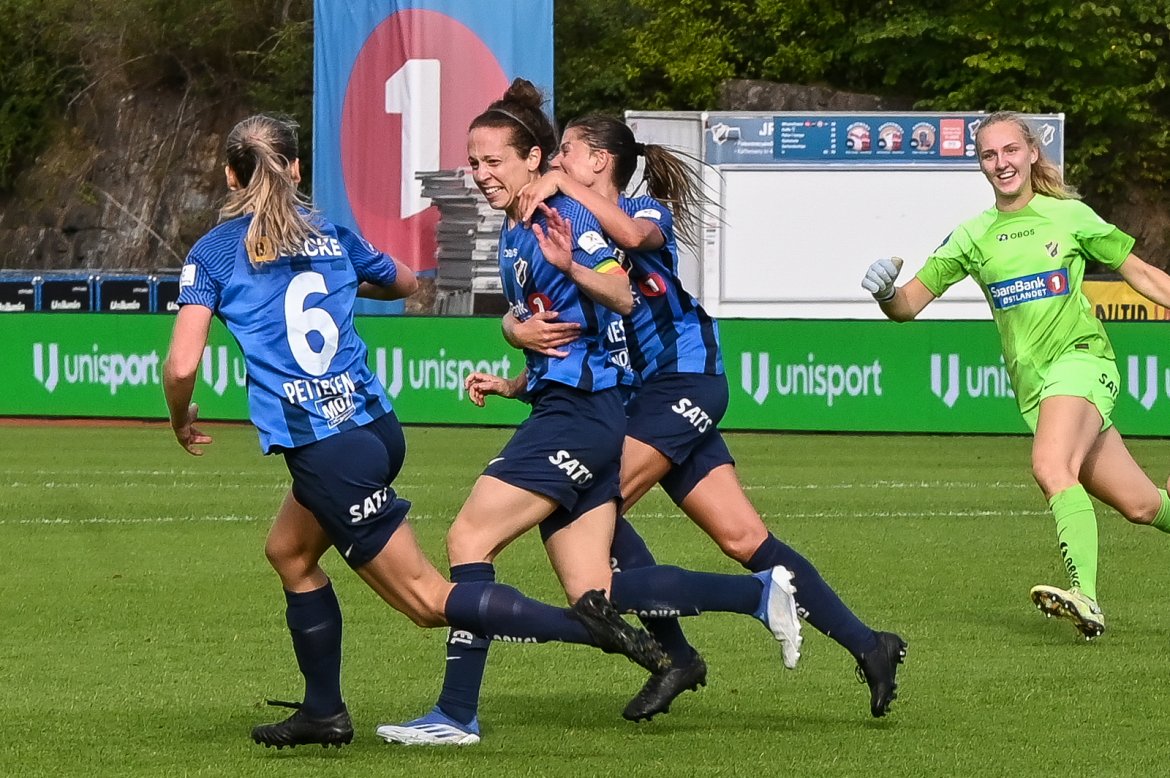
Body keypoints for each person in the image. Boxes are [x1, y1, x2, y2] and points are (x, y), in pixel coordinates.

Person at [162, 113, 691, 752]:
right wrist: (343, 276)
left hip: (326, 448)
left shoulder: (215, 252)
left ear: (230, 175)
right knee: (290, 554)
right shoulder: (330, 233)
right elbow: (405, 283)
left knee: (426, 601)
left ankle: (588, 627)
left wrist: (180, 416)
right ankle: (323, 712)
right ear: (296, 168)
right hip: (375, 427)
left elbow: (182, 365)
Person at [376, 80, 804, 747]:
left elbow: (621, 294)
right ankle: (757, 595)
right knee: (594, 593)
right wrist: (514, 347)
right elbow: (557, 328)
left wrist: (569, 267)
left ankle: (455, 714)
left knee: (468, 541)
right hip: (579, 411)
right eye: (474, 162)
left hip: (576, 418)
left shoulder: (563, 217)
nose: (481, 173)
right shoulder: (514, 229)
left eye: (493, 161)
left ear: (533, 159)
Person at [505, 115, 907, 721]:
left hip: (683, 380)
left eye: (567, 152)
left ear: (600, 161)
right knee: (745, 538)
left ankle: (677, 655)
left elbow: (634, 237)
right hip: (641, 396)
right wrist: (515, 358)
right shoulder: (573, 224)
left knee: (594, 504)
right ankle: (869, 644)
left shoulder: (643, 210)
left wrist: (561, 187)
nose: (556, 163)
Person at [861, 110, 1170, 639]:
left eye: (1009, 150)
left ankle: (1086, 597)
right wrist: (886, 292)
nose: (1001, 162)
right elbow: (909, 305)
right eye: (989, 154)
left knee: (1051, 466)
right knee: (1142, 505)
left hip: (1083, 362)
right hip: (1035, 387)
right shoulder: (973, 236)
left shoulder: (1069, 216)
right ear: (981, 165)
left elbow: (1141, 273)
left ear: (1031, 153)